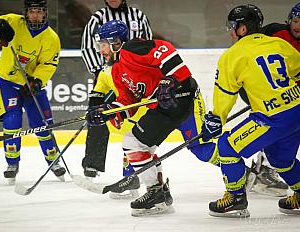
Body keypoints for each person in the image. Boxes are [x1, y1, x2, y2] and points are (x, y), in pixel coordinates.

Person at [87, 20, 221, 216]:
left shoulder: (131, 49)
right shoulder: (116, 71)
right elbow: (128, 102)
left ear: (116, 42)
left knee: (201, 149)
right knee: (133, 142)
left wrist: (169, 80)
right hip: (162, 108)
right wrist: (107, 112)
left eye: (103, 45)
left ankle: (238, 168)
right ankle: (156, 193)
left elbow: (165, 49)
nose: (101, 51)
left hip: (185, 100)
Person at [201, 4, 300, 217]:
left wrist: (216, 118)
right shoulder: (278, 43)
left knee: (227, 147)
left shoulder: (232, 55)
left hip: (271, 118)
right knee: (281, 159)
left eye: (232, 26)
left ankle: (235, 198)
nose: (230, 31)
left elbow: (225, 94)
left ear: (242, 29)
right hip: (296, 111)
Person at [0, 0, 66, 185]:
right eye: (32, 11)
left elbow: (48, 64)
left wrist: (37, 80)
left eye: (39, 11)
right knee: (12, 121)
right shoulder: (13, 21)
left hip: (31, 85)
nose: (35, 15)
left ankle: (54, 161)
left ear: (45, 13)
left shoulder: (51, 38)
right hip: (6, 83)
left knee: (42, 125)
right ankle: (12, 164)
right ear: (26, 12)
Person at [80, 0, 152, 182]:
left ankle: (130, 174)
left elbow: (148, 44)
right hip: (105, 73)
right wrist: (100, 71)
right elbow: (88, 46)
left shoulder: (138, 16)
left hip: (131, 76)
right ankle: (92, 162)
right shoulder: (98, 17)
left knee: (130, 127)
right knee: (97, 114)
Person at [242, 3, 300, 197]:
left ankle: (262, 169)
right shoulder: (274, 32)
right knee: (278, 125)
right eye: (296, 21)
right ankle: (264, 170)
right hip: (259, 89)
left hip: (289, 97)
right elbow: (246, 46)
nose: (298, 26)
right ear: (289, 20)